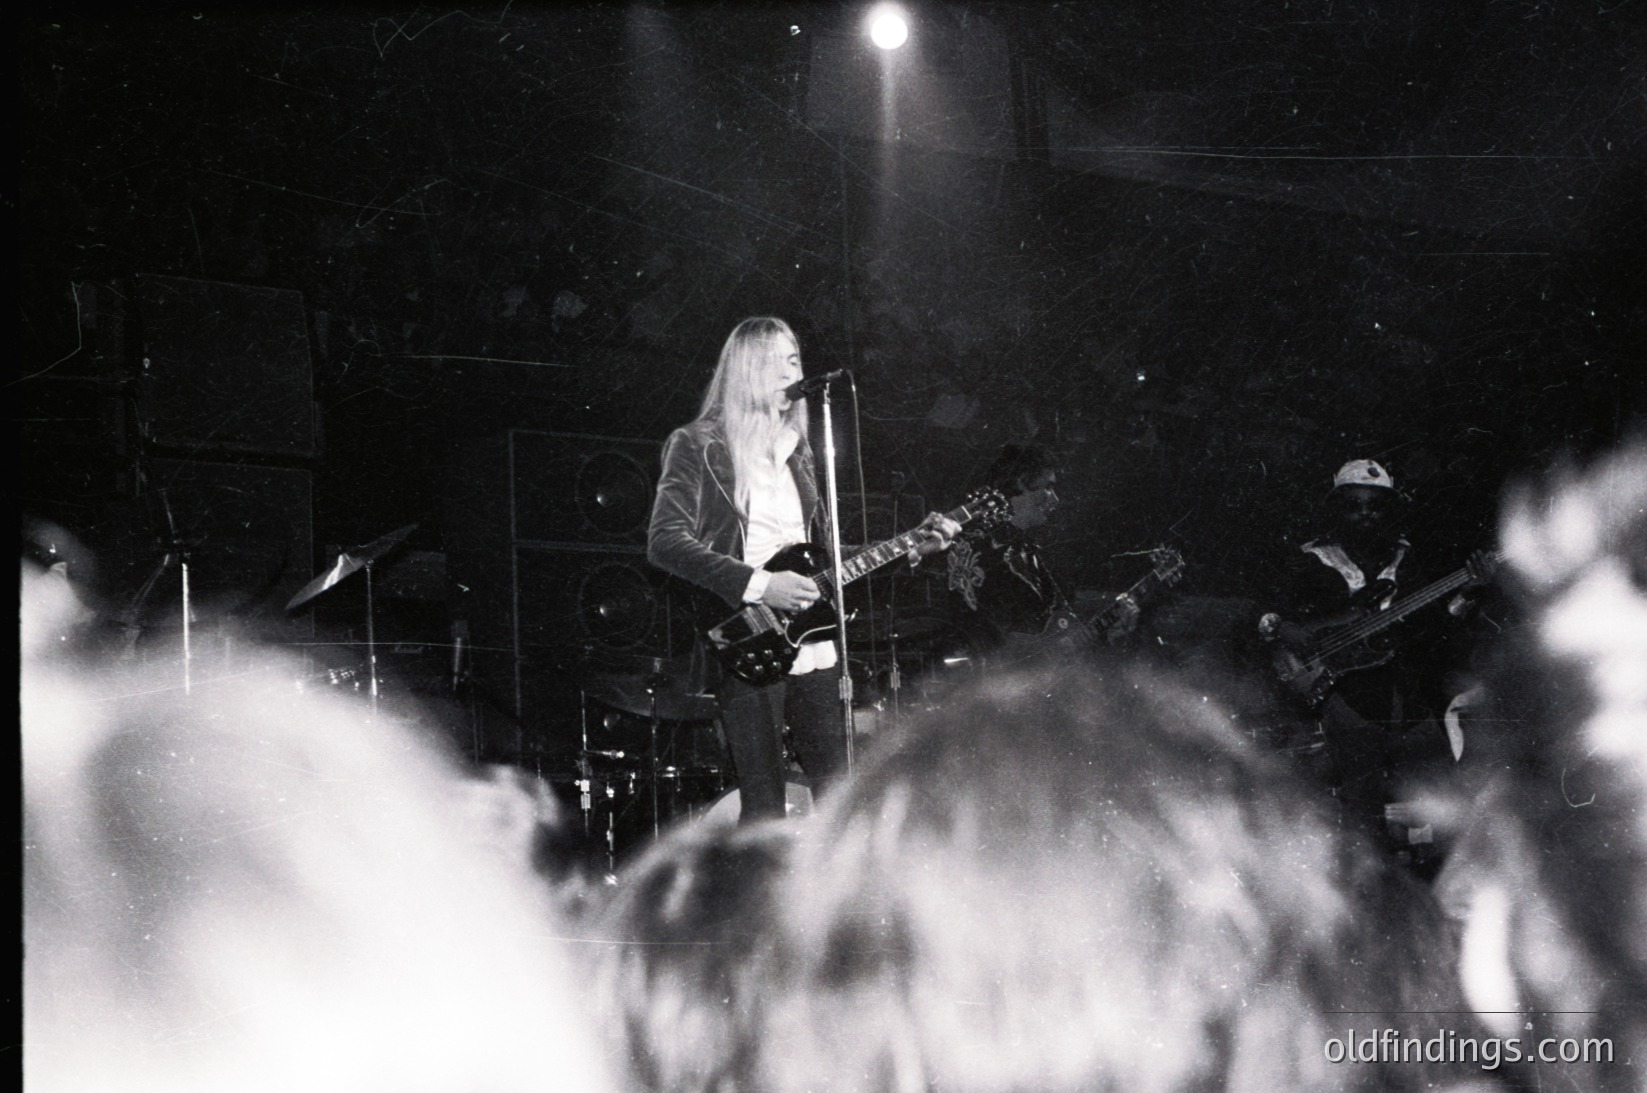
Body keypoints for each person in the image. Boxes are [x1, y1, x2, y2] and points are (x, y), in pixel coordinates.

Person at [647, 316, 957, 823]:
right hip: (746, 635)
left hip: (813, 641)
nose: (795, 369)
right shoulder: (698, 444)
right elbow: (665, 542)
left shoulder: (802, 454)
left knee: (840, 797)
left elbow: (826, 556)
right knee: (765, 806)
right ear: (749, 369)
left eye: (796, 359)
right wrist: (761, 585)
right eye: (781, 360)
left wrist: (911, 545)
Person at [1257, 458, 1497, 860]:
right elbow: (1266, 617)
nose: (1365, 514)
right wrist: (1284, 630)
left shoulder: (1406, 562)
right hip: (1344, 702)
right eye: (1354, 505)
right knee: (1361, 819)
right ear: (1337, 510)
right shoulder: (1310, 561)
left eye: (1375, 505)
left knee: (1442, 798)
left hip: (1406, 698)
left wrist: (1470, 592)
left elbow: (1436, 626)